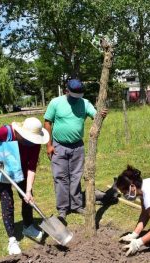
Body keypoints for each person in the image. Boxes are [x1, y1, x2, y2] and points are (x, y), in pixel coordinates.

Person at [0, 117, 49, 255]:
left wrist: (29, 190)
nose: (31, 141)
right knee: (7, 203)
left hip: (22, 173)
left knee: (28, 199)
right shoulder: (6, 132)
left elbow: (31, 167)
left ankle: (28, 226)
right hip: (4, 172)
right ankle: (12, 239)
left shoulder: (35, 143)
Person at [44, 79, 108, 220]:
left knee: (76, 176)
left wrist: (101, 113)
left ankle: (76, 205)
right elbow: (47, 123)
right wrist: (48, 145)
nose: (75, 99)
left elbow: (95, 115)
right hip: (58, 146)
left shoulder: (85, 103)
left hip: (77, 146)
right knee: (60, 177)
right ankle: (62, 208)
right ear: (66, 91)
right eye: (73, 95)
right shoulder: (56, 102)